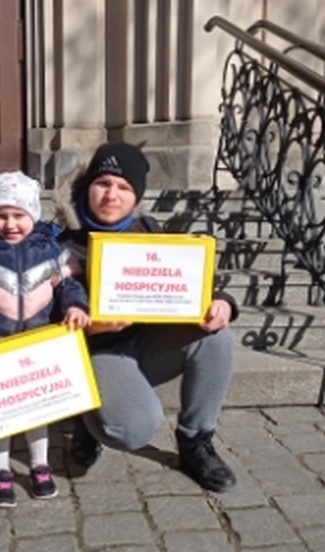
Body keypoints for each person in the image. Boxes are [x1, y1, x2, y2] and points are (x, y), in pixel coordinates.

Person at [55, 142, 238, 492]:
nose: (112, 195)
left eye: (124, 187)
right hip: (96, 352)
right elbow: (38, 325)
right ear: (88, 186)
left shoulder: (150, 231)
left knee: (217, 338)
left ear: (136, 196)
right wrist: (90, 327)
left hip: (146, 342)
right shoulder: (58, 244)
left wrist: (221, 302)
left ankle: (195, 442)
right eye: (103, 183)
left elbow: (191, 280)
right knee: (132, 429)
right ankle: (86, 416)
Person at [0, 170, 89, 508]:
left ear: (33, 214)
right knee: (1, 414)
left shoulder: (53, 251)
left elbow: (70, 285)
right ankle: (0, 470)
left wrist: (76, 306)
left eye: (18, 215)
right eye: (2, 215)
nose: (10, 223)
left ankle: (40, 465)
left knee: (37, 411)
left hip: (39, 346)